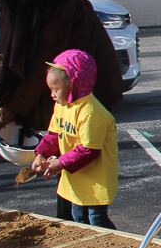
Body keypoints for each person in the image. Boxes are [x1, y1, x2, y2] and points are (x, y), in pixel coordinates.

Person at [0, 0, 123, 220]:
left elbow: (45, 52)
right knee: (61, 141)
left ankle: (91, 223)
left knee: (81, 152)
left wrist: (14, 106)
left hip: (82, 78)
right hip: (56, 77)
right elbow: (18, 35)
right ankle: (70, 219)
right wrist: (10, 65)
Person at [31, 50, 119, 229]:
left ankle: (115, 242)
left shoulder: (91, 113)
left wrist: (60, 163)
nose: (52, 95)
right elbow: (53, 135)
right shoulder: (61, 106)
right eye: (51, 89)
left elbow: (89, 150)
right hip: (76, 175)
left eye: (56, 90)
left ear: (74, 84)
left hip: (97, 178)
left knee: (96, 220)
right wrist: (41, 154)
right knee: (79, 217)